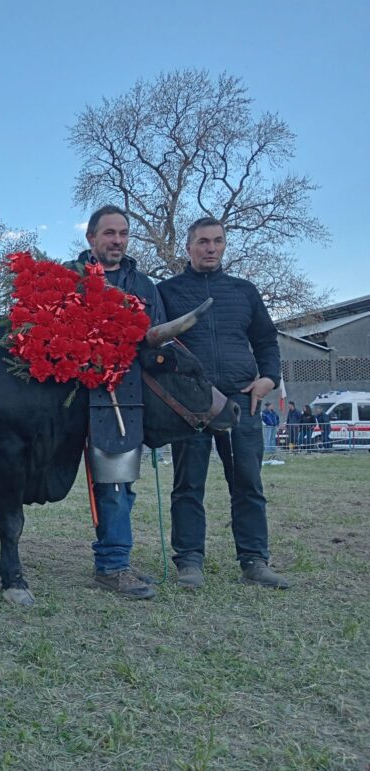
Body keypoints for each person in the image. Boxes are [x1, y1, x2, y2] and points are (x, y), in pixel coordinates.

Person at [158, 217, 289, 589]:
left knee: (247, 482)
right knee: (188, 484)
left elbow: (266, 341)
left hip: (241, 402)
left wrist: (268, 379)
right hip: (192, 406)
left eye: (217, 241)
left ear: (224, 245)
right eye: (203, 241)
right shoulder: (166, 292)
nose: (210, 248)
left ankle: (254, 562)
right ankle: (189, 562)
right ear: (188, 247)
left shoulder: (244, 291)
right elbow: (155, 346)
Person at [65, 206, 166, 600]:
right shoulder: (69, 278)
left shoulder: (143, 285)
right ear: (91, 237)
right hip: (72, 397)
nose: (118, 240)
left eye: (123, 233)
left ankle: (114, 561)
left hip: (122, 398)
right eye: (109, 233)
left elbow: (157, 342)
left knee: (120, 485)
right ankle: (113, 560)